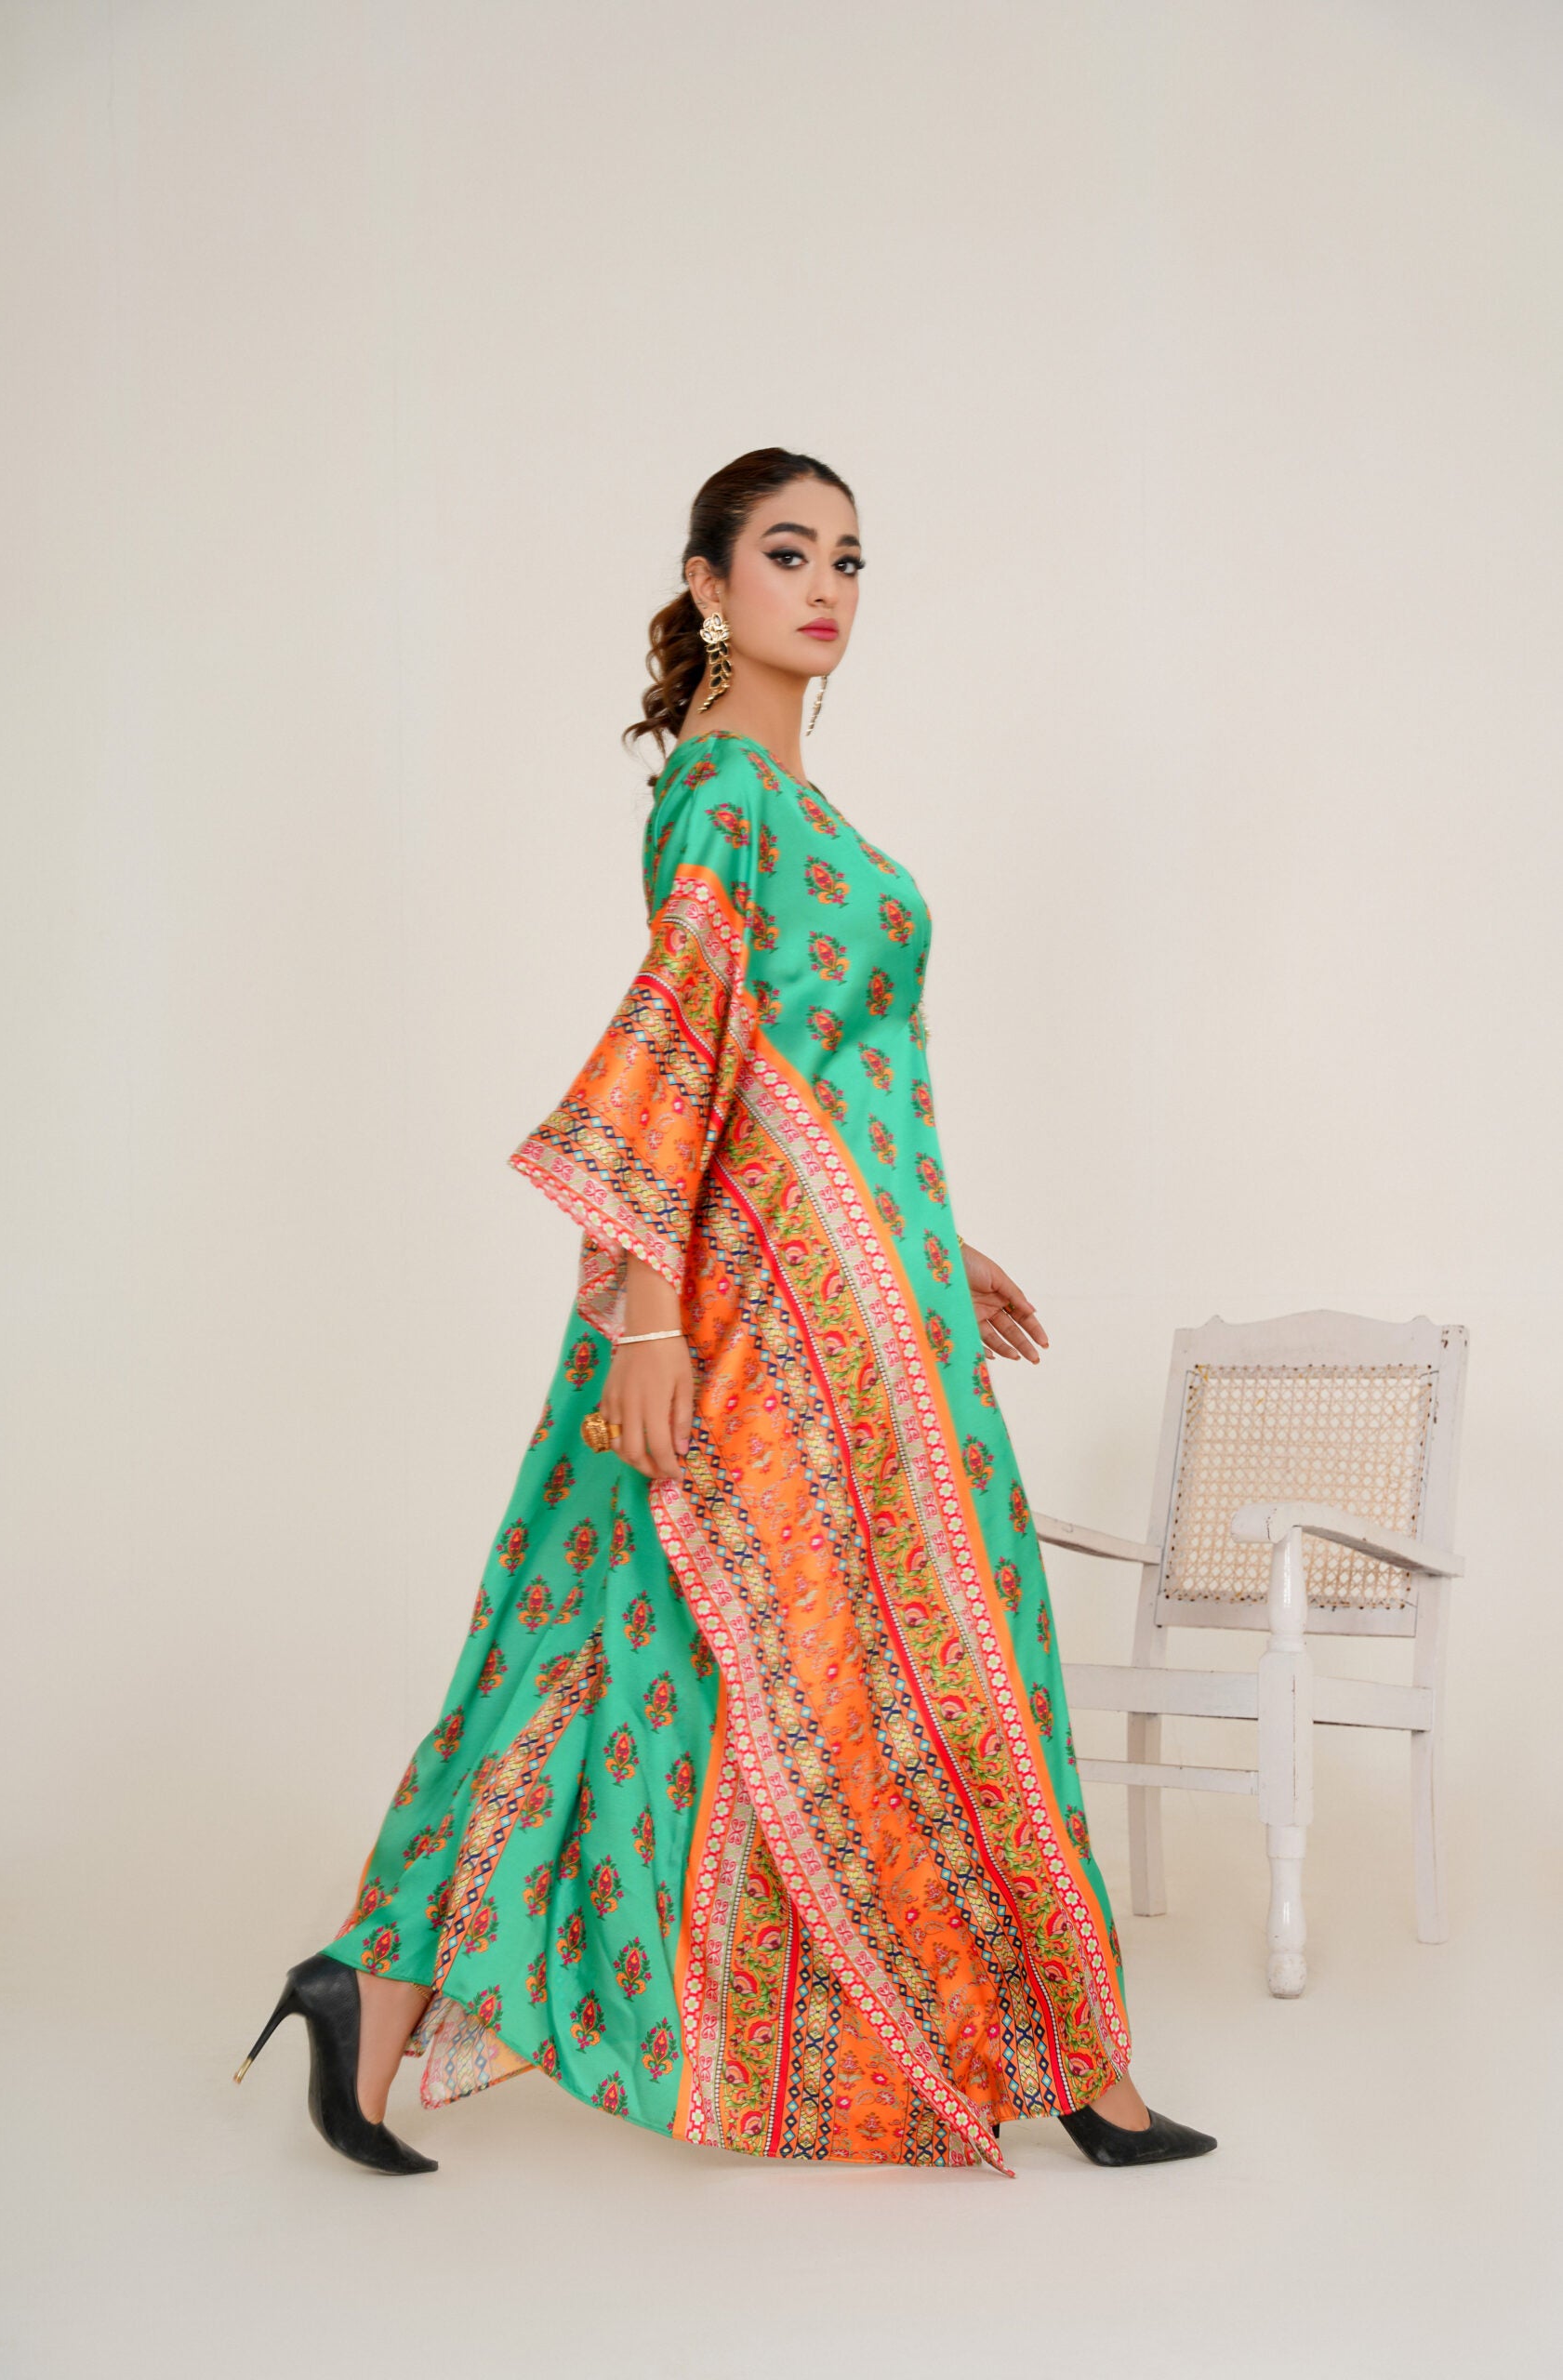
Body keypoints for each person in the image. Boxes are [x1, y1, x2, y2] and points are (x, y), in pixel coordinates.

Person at [235, 446, 1216, 2178]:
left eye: (850, 558)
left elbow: (808, 1074)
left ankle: (370, 1987)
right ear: (709, 584)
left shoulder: (799, 802)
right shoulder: (721, 793)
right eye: (787, 553)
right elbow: (677, 1059)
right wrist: (644, 1326)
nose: (827, 587)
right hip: (756, 1323)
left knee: (609, 1633)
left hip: (866, 1298)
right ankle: (1076, 2072)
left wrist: (935, 1239)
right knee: (890, 1651)